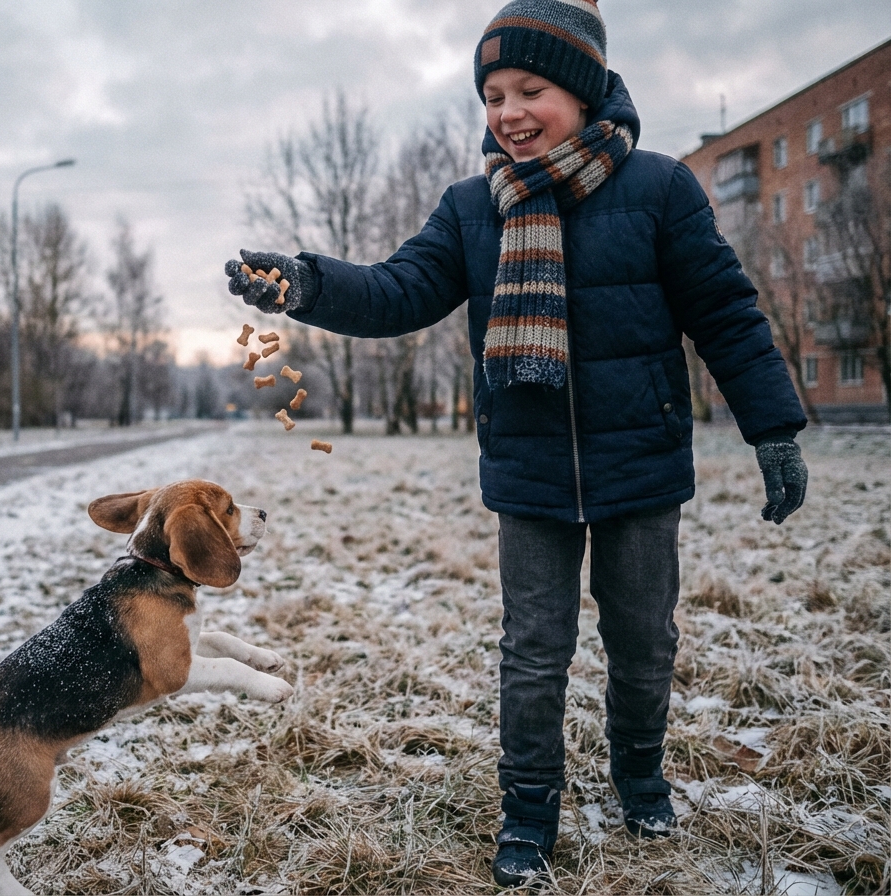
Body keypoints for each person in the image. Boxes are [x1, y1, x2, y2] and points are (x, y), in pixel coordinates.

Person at [224, 0, 808, 886]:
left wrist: (773, 429)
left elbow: (724, 314)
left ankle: (640, 777)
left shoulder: (659, 188)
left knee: (645, 640)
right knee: (534, 653)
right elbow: (395, 292)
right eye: (492, 95)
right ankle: (529, 814)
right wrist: (304, 283)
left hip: (641, 466)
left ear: (581, 89)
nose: (508, 113)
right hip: (529, 471)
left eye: (529, 89)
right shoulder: (471, 208)